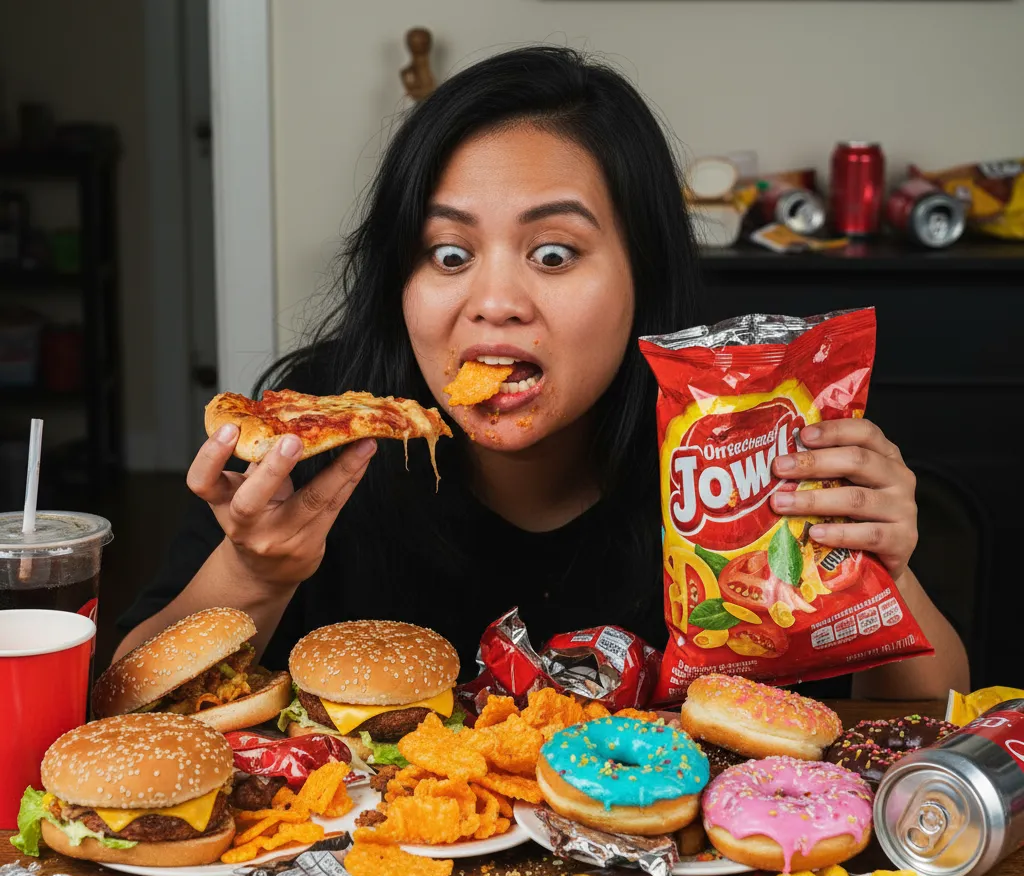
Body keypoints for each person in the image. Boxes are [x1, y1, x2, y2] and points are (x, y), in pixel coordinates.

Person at [116, 46, 968, 700]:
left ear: (643, 277)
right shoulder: (311, 439)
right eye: (447, 254)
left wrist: (885, 574)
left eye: (553, 254)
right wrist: (254, 572)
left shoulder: (740, 454)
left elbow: (936, 731)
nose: (494, 301)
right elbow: (116, 715)